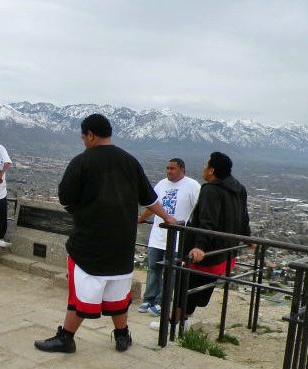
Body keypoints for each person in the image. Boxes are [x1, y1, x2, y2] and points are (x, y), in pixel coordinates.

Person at [34, 114, 177, 354]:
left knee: (79, 293)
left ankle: (66, 338)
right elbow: (150, 198)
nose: (84, 142)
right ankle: (122, 336)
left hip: (88, 243)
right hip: (122, 244)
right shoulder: (130, 161)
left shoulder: (82, 161)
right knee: (118, 293)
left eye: (83, 137)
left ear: (90, 135)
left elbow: (65, 198)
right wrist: (168, 218)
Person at [151, 152, 250, 329]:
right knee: (200, 289)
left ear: (212, 170)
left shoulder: (211, 190)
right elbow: (244, 217)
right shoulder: (239, 189)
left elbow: (207, 221)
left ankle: (173, 323)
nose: (203, 168)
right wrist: (248, 237)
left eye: (206, 165)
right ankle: (183, 320)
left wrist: (199, 246)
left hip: (205, 253)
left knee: (185, 286)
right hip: (224, 251)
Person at [137, 159, 200, 316]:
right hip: (157, 236)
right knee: (153, 268)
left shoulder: (192, 186)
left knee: (170, 271)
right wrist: (138, 219)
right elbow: (152, 206)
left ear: (182, 170)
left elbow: (199, 209)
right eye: (167, 168)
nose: (168, 171)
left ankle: (161, 302)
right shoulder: (161, 184)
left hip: (177, 238)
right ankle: (149, 298)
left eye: (172, 168)